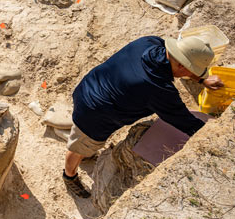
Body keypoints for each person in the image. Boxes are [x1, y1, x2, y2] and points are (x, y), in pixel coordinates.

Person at [63, 36, 224, 198]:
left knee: (86, 145)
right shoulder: (157, 87)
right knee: (79, 147)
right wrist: (216, 137)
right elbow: (186, 122)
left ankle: (86, 154)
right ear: (182, 65)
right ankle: (70, 176)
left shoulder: (150, 42)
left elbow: (179, 65)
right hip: (94, 112)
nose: (191, 74)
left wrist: (202, 80)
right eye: (193, 70)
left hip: (91, 84)